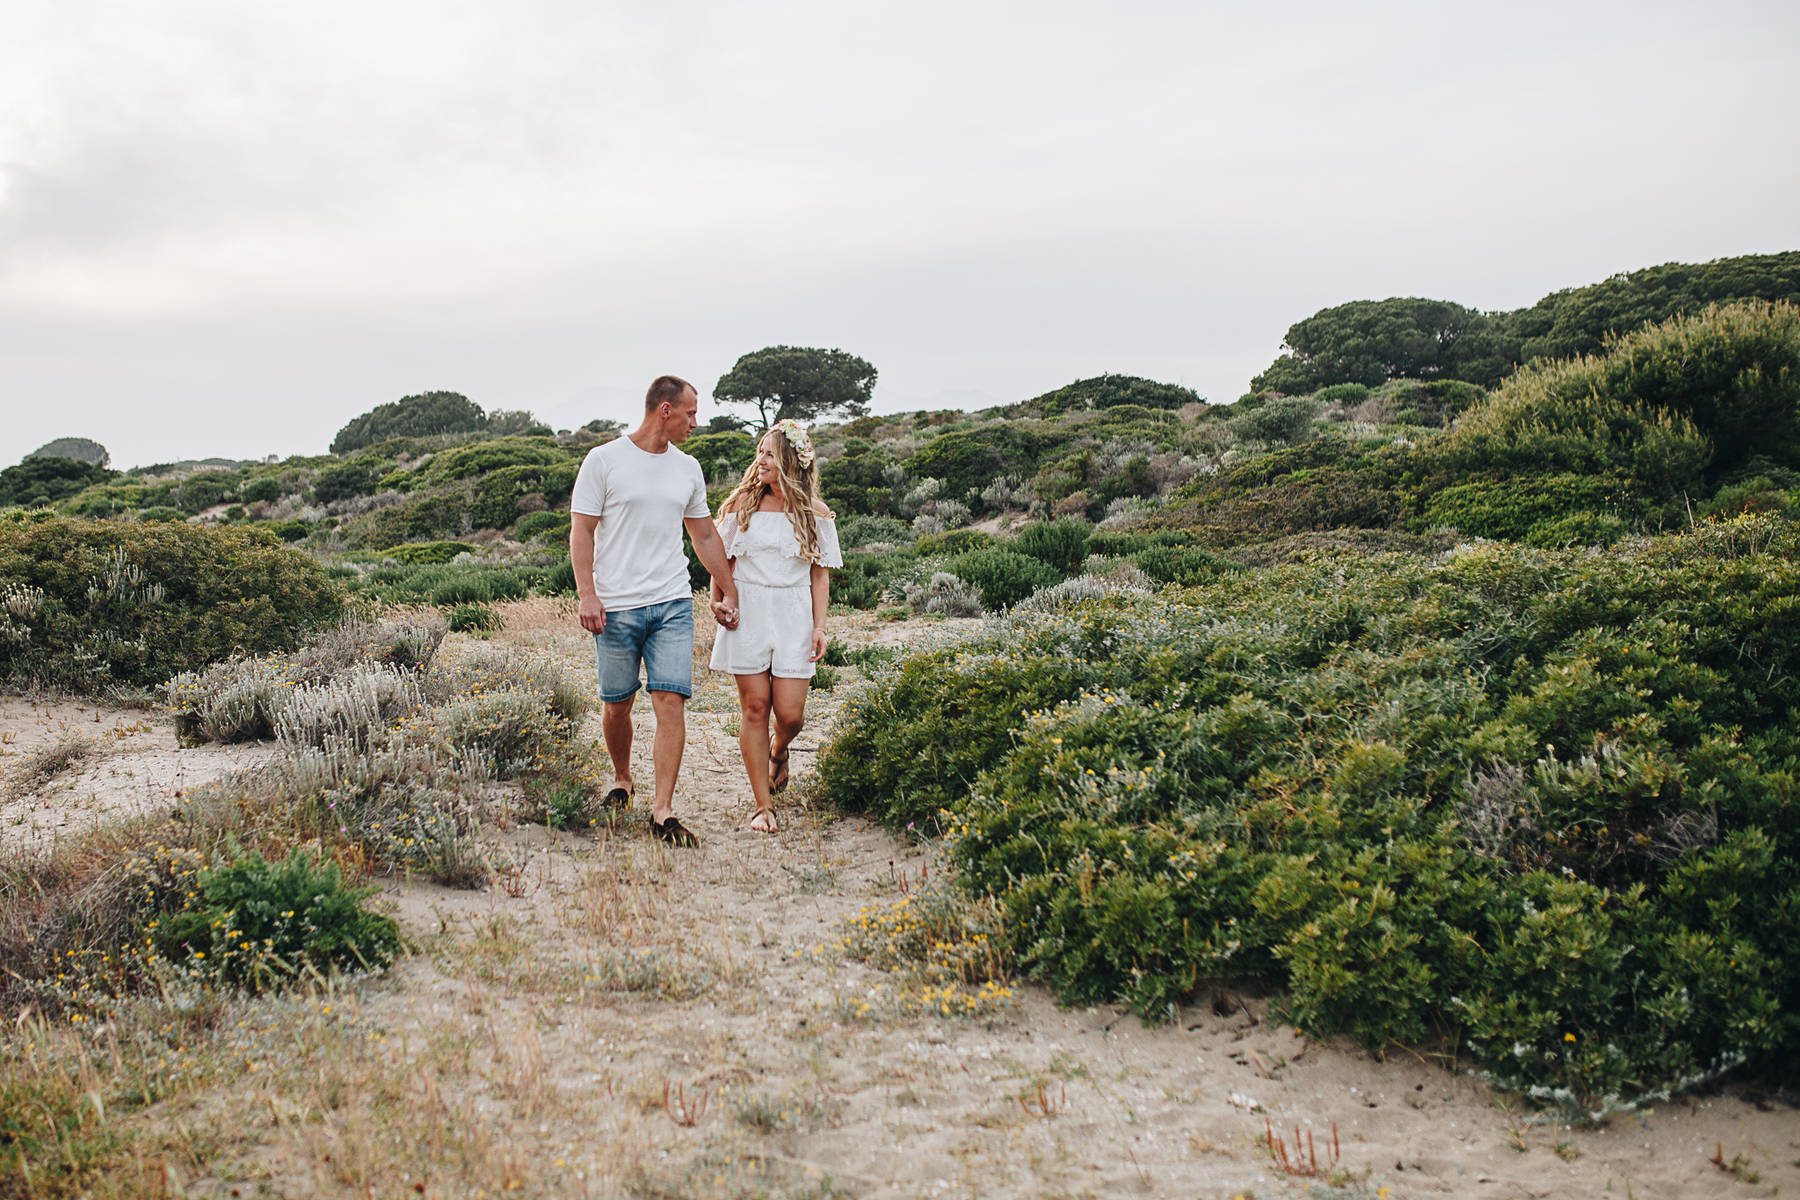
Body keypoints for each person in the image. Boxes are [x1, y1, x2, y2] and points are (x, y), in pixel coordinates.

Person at [569, 375, 740, 847]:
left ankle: (663, 811)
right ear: (665, 409)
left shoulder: (687, 468)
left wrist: (728, 589)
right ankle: (623, 779)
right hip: (616, 607)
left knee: (670, 701)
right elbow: (581, 531)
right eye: (690, 413)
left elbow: (703, 535)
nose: (695, 423)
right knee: (617, 705)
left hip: (671, 604)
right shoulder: (603, 461)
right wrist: (588, 594)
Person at [708, 419, 841, 833]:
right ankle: (762, 807)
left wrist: (820, 626)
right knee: (754, 708)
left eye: (768, 453)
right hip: (747, 611)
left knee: (791, 714)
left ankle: (779, 749)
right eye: (759, 452)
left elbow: (820, 574)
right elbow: (721, 562)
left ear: (788, 461)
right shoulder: (739, 507)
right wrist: (719, 600)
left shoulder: (815, 514)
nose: (760, 461)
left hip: (793, 614)